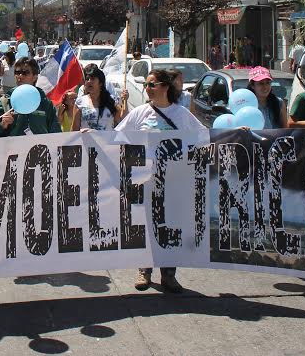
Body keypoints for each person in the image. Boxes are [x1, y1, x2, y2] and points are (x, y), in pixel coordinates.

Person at [116, 68, 207, 294]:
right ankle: (144, 270)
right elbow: (117, 135)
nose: (147, 88)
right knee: (147, 226)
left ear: (165, 87)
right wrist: (90, 135)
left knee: (171, 228)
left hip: (174, 182)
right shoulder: (140, 113)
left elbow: (203, 136)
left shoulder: (182, 114)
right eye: (147, 85)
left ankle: (169, 275)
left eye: (151, 84)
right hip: (146, 182)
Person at [0, 57, 61, 138]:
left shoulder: (44, 102)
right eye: (17, 72)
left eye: (25, 72)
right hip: (13, 150)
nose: (20, 76)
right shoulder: (5, 101)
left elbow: (55, 133)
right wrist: (2, 125)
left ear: (35, 77)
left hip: (40, 149)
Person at [74, 64, 125, 131]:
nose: (89, 81)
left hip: (107, 140)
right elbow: (74, 130)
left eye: (92, 79)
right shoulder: (80, 102)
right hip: (87, 141)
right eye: (87, 79)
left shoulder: (111, 101)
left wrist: (125, 101)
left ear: (100, 83)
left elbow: (122, 122)